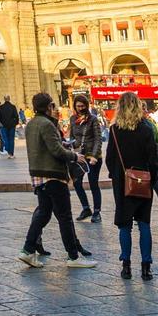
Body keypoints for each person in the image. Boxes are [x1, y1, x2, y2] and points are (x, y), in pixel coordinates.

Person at [19, 93, 95, 269]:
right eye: (53, 106)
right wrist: (75, 156)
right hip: (52, 174)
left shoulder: (31, 124)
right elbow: (56, 150)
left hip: (38, 175)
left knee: (43, 213)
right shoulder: (46, 124)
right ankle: (73, 257)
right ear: (48, 107)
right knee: (65, 216)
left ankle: (28, 250)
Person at [103, 92, 158, 280]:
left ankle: (126, 266)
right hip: (143, 182)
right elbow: (153, 159)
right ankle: (146, 267)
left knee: (124, 226)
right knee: (144, 224)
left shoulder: (114, 130)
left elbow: (109, 159)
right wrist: (153, 179)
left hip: (122, 183)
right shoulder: (146, 129)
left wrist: (116, 176)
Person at [67, 94, 103, 224]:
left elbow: (98, 139)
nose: (80, 108)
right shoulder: (72, 119)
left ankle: (97, 211)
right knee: (77, 183)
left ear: (86, 106)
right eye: (78, 106)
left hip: (92, 156)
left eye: (82, 106)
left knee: (93, 184)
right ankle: (86, 208)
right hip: (79, 156)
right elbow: (72, 137)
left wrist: (94, 156)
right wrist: (70, 149)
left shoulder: (93, 119)